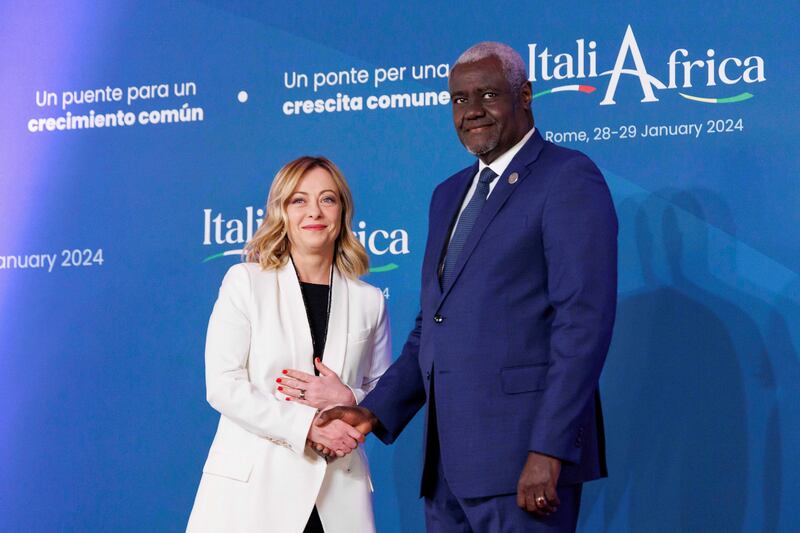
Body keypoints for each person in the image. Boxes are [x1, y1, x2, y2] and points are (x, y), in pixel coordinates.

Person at [318, 42, 618, 532]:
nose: (472, 111)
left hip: (526, 465)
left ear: (525, 96)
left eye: (487, 95)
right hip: (447, 470)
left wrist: (549, 447)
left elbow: (582, 324)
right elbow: (432, 327)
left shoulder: (567, 178)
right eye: (459, 99)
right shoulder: (447, 194)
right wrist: (371, 412)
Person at [187, 156, 392, 533]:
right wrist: (308, 426)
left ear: (342, 211)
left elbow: (384, 392)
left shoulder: (370, 300)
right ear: (281, 211)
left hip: (339, 495)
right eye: (299, 200)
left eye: (327, 199)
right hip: (254, 494)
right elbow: (223, 386)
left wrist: (349, 398)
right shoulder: (245, 282)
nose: (314, 211)